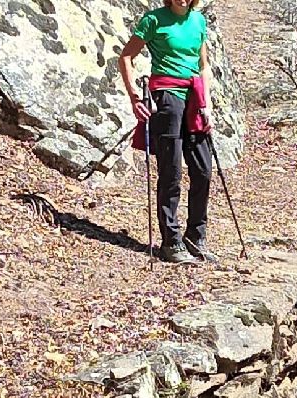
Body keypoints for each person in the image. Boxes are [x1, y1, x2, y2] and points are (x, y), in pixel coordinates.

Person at [117, 0, 216, 263]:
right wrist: (135, 98)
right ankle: (170, 242)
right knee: (170, 171)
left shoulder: (198, 21)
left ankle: (195, 237)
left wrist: (208, 103)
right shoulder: (153, 20)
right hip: (167, 97)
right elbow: (126, 56)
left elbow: (203, 65)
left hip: (195, 98)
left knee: (203, 170)